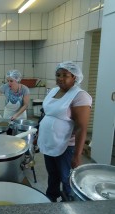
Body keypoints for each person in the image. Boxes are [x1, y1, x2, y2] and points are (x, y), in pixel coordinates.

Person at [37, 61, 92, 202]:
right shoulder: (54, 91)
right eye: (58, 75)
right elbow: (46, 114)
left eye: (65, 75)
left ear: (74, 77)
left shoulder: (80, 96)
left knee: (66, 178)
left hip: (66, 146)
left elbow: (81, 127)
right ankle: (51, 197)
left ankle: (70, 203)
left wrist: (77, 156)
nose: (60, 78)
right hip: (49, 141)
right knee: (52, 174)